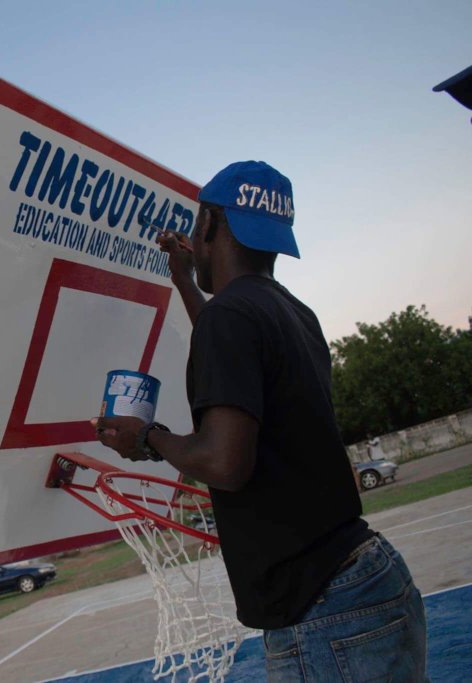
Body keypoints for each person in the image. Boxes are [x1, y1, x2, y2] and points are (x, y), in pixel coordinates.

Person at [91, 161, 428, 681]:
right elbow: (231, 347)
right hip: (365, 579)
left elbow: (224, 463)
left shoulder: (232, 318)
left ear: (208, 225)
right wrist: (185, 284)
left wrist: (149, 438)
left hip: (322, 607)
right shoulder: (290, 311)